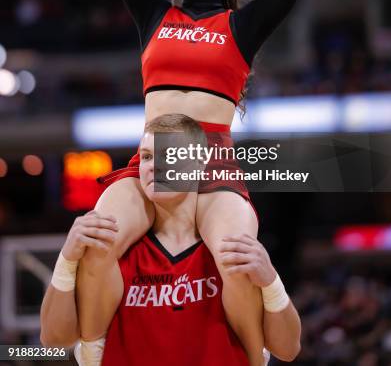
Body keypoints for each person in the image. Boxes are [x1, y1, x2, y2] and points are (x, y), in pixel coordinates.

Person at [76, 0, 358, 353]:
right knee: (97, 242)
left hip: (211, 167)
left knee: (237, 259)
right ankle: (95, 349)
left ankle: (251, 355)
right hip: (151, 161)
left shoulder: (244, 26)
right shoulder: (153, 15)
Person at [40, 114, 301, 365]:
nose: (153, 165)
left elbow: (288, 350)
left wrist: (270, 280)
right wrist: (67, 258)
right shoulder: (114, 249)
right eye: (147, 156)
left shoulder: (230, 251)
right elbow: (54, 340)